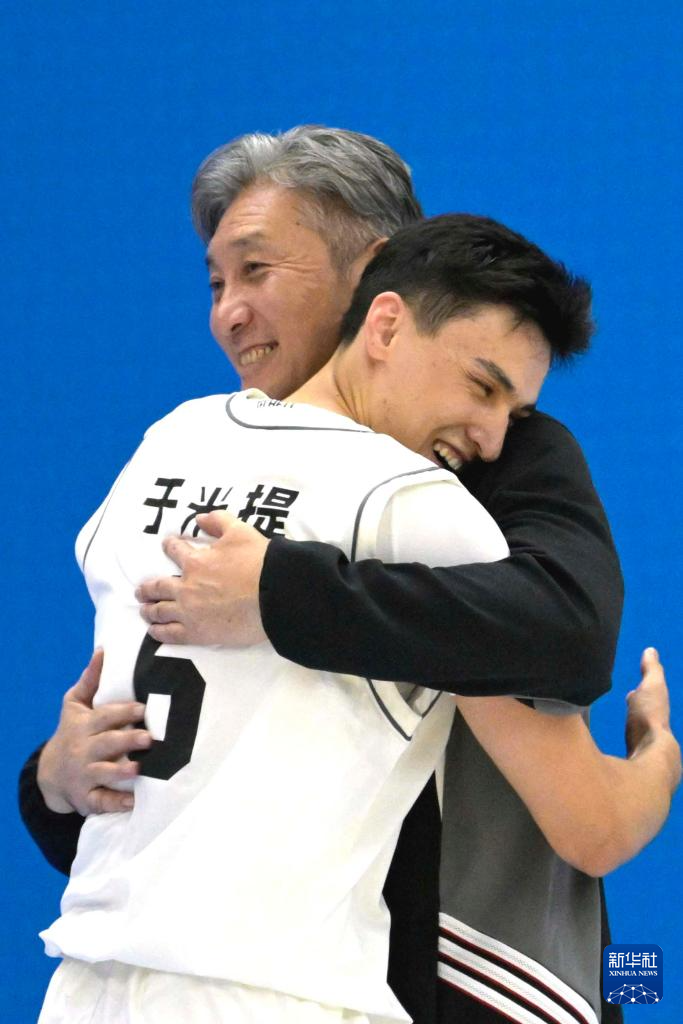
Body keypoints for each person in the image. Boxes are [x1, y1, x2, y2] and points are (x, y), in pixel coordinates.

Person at [18, 128, 678, 1023]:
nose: (228, 313)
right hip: (240, 971)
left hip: (464, 970)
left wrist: (276, 594)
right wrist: (53, 780)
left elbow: (565, 631)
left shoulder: (468, 461)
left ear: (376, 283)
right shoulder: (253, 463)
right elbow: (173, 764)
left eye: (256, 271)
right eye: (216, 283)